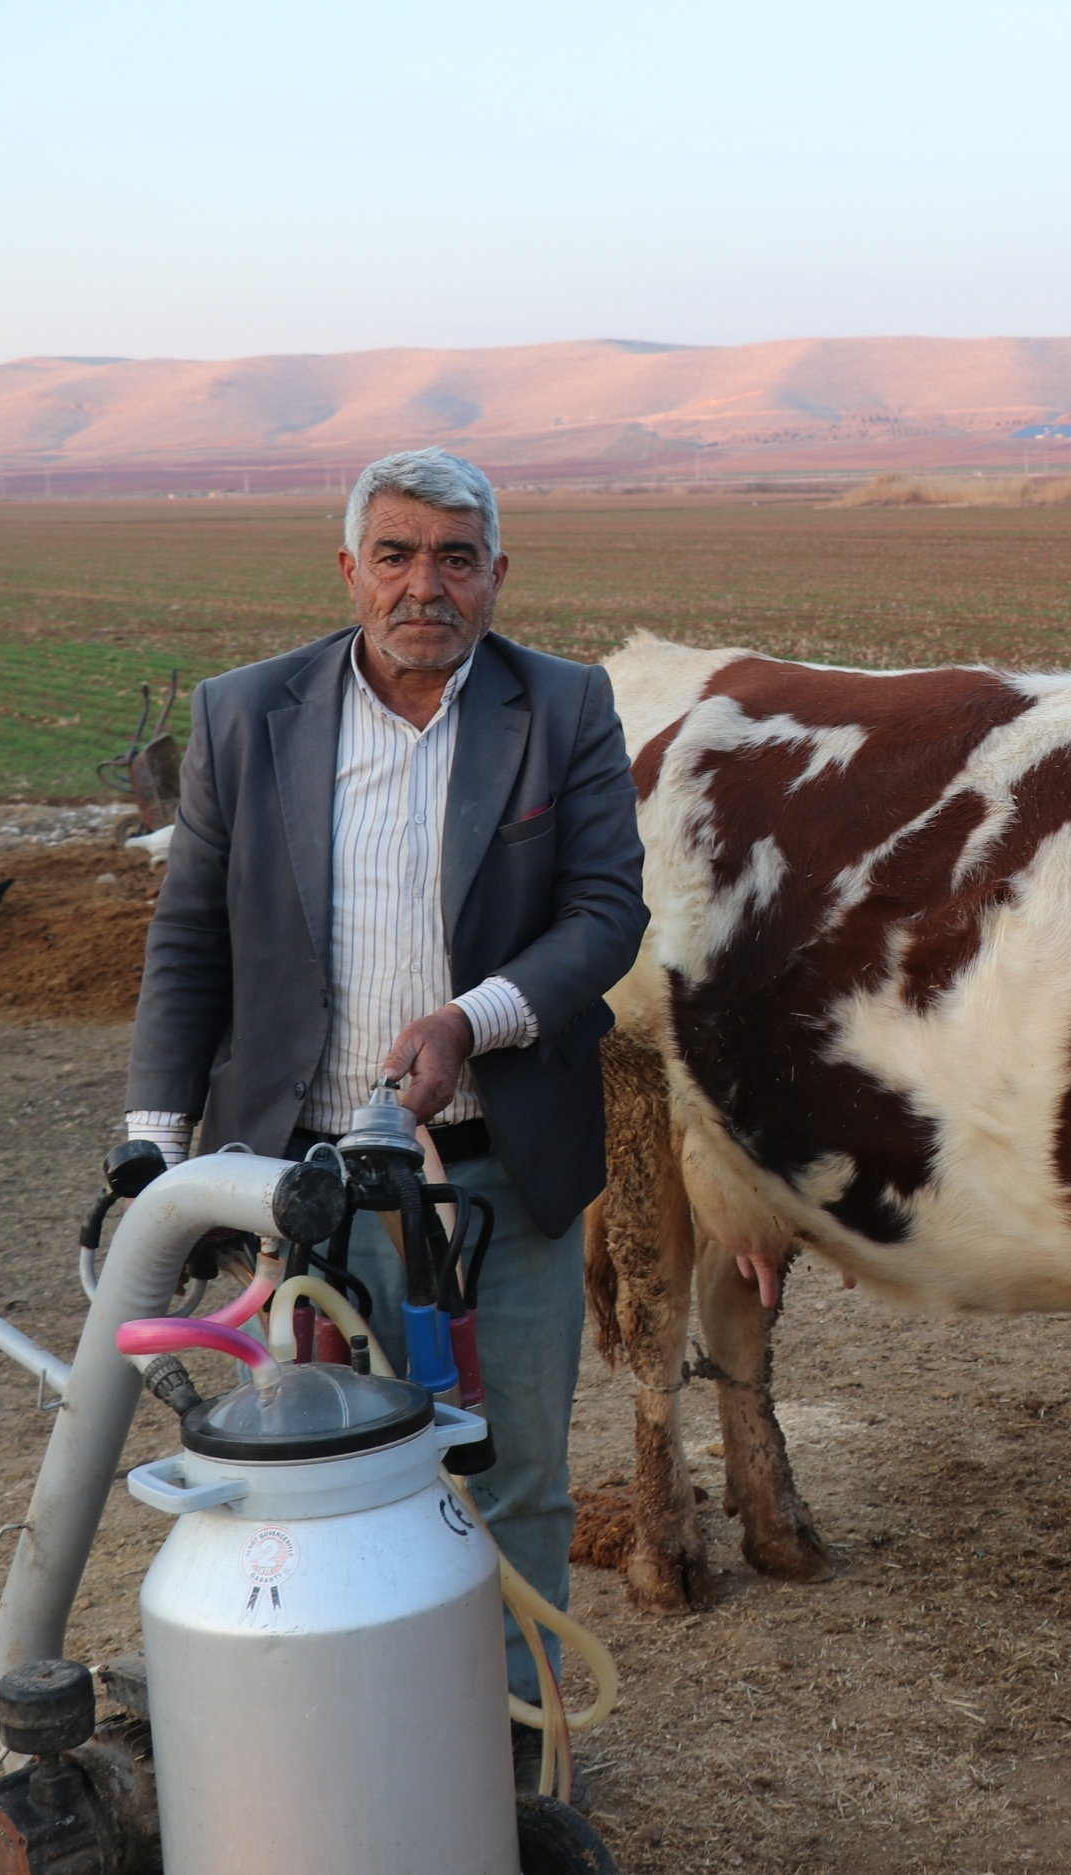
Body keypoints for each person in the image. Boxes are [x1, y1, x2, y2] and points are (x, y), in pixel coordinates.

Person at [124, 448, 647, 1798]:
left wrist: (471, 1021)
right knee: (320, 1472)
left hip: (504, 1174)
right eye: (399, 555)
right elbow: (189, 943)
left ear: (496, 575)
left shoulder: (564, 708)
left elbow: (604, 916)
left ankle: (517, 1767)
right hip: (305, 1185)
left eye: (456, 557)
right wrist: (156, 1146)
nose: (427, 585)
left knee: (517, 1471)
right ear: (349, 567)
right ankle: (351, 1752)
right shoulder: (246, 716)